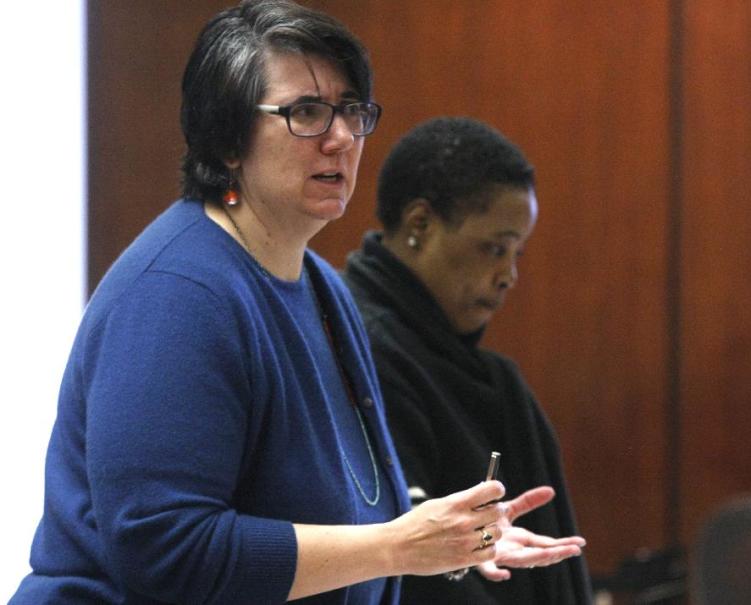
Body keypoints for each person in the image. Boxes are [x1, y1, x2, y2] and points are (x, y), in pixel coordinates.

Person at [10, 3, 583, 604]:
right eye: (306, 113)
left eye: (351, 112)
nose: (340, 139)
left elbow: (355, 513)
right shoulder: (175, 294)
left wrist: (452, 542)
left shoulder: (323, 287)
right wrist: (398, 547)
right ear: (229, 139)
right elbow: (168, 551)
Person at [343, 117, 593, 604]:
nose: (508, 276)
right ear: (421, 225)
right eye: (494, 248)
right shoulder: (354, 345)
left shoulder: (494, 380)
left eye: (517, 252)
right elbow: (397, 566)